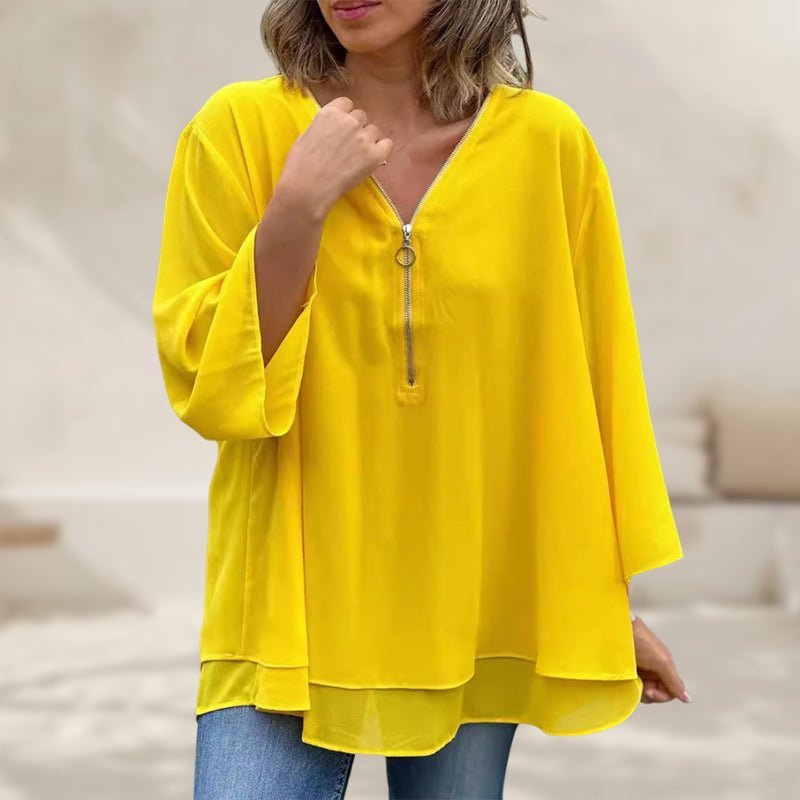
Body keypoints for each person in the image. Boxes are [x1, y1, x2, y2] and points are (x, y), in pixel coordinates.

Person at [152, 1, 693, 797]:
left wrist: (599, 606)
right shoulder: (238, 129)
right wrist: (297, 206)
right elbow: (211, 383)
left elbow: (584, 394)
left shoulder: (548, 147)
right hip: (285, 615)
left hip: (472, 610)